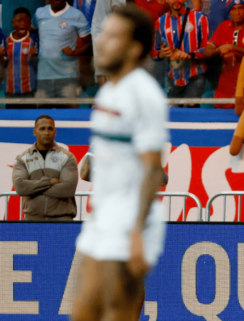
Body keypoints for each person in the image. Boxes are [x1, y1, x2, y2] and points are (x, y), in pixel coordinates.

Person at [72, 5, 169, 321]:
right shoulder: (108, 92)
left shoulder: (144, 95)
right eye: (103, 33)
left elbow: (153, 169)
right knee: (82, 312)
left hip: (128, 226)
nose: (100, 41)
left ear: (134, 48)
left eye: (113, 36)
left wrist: (137, 234)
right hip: (101, 222)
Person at [12, 115, 78, 221]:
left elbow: (68, 189)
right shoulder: (22, 158)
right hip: (32, 219)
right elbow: (20, 187)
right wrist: (49, 182)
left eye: (50, 128)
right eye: (42, 128)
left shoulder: (68, 157)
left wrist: (33, 188)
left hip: (62, 219)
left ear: (55, 132)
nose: (46, 132)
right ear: (35, 132)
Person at [32, 0, 92, 101]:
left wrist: (75, 52)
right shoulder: (39, 13)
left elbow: (89, 42)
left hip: (67, 77)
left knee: (69, 114)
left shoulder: (77, 15)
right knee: (45, 114)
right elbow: (30, 29)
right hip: (43, 76)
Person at [206, 0, 244, 109]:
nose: (237, 12)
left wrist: (232, 47)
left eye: (241, 8)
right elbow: (207, 52)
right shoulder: (223, 26)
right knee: (222, 123)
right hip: (225, 87)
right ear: (229, 12)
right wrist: (220, 50)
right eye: (233, 9)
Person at [152, 0, 210, 102]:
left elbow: (209, 49)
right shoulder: (160, 22)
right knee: (172, 115)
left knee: (191, 114)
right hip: (173, 78)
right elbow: (154, 52)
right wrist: (160, 54)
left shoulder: (200, 18)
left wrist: (189, 55)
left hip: (195, 76)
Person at [3, 7, 38, 109]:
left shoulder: (34, 40)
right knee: (12, 120)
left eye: (26, 21)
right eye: (19, 21)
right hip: (10, 89)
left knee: (30, 118)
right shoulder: (6, 40)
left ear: (30, 23)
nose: (22, 24)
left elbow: (38, 64)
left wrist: (34, 56)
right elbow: (4, 64)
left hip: (29, 89)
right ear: (13, 22)